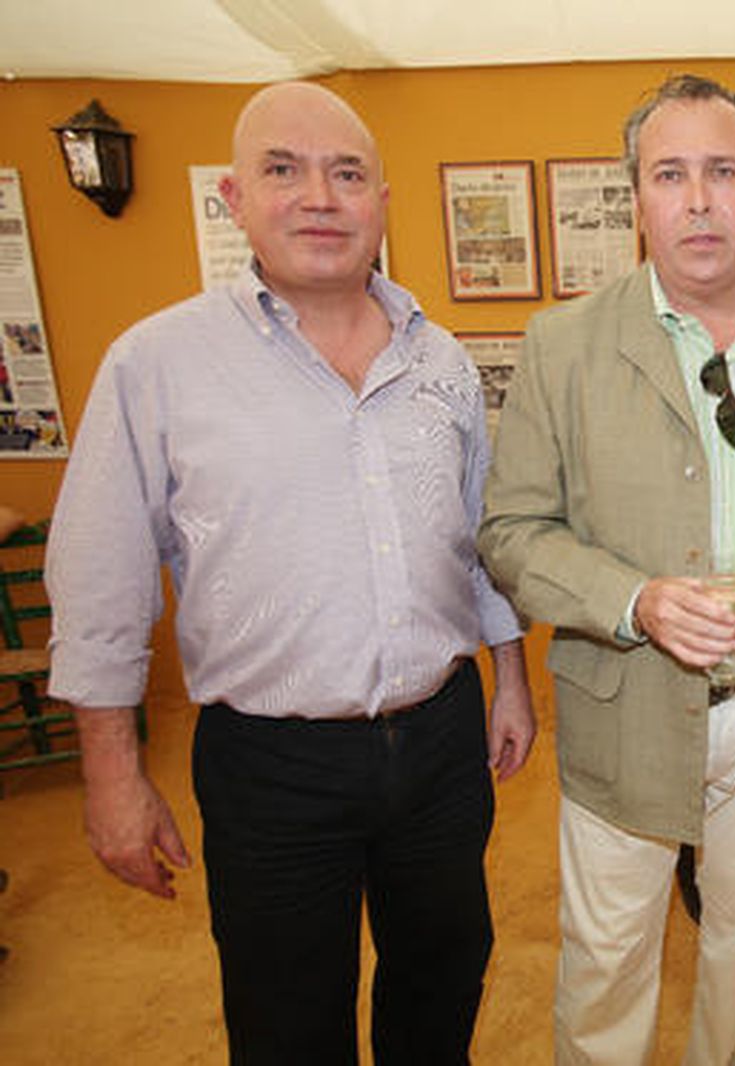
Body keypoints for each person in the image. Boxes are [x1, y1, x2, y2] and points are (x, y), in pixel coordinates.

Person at [45, 81, 535, 1065]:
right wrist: (111, 773)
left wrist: (511, 676)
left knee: (442, 978)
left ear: (380, 202)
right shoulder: (158, 364)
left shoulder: (438, 361)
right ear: (234, 197)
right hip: (271, 767)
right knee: (285, 1016)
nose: (320, 196)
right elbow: (101, 573)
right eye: (285, 169)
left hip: (440, 743)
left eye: (346, 173)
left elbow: (480, 535)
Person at [477, 74, 735, 1066]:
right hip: (627, 703)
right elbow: (512, 531)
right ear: (635, 198)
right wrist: (634, 599)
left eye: (722, 172)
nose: (697, 200)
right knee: (608, 955)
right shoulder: (562, 344)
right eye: (669, 174)